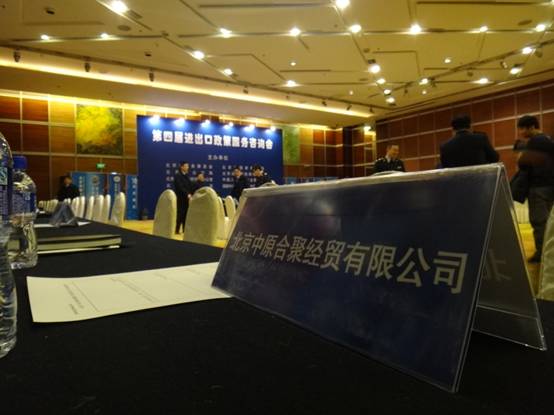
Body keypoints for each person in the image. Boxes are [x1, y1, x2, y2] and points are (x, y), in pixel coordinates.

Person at [515, 115, 554, 262]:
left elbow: (523, 163)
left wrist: (521, 155)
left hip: (538, 187)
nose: (520, 132)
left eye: (522, 128)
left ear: (532, 127)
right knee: (548, 221)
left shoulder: (534, 142)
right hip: (549, 186)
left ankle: (542, 253)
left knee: (539, 221)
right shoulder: (548, 139)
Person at [173, 161, 194, 234]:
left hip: (187, 198)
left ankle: (185, 230)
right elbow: (180, 187)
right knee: (180, 214)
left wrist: (191, 193)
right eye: (186, 166)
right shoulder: (178, 176)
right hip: (181, 198)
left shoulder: (186, 176)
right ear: (181, 167)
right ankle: (177, 229)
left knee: (186, 214)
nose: (187, 167)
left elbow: (190, 186)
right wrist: (187, 194)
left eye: (188, 166)